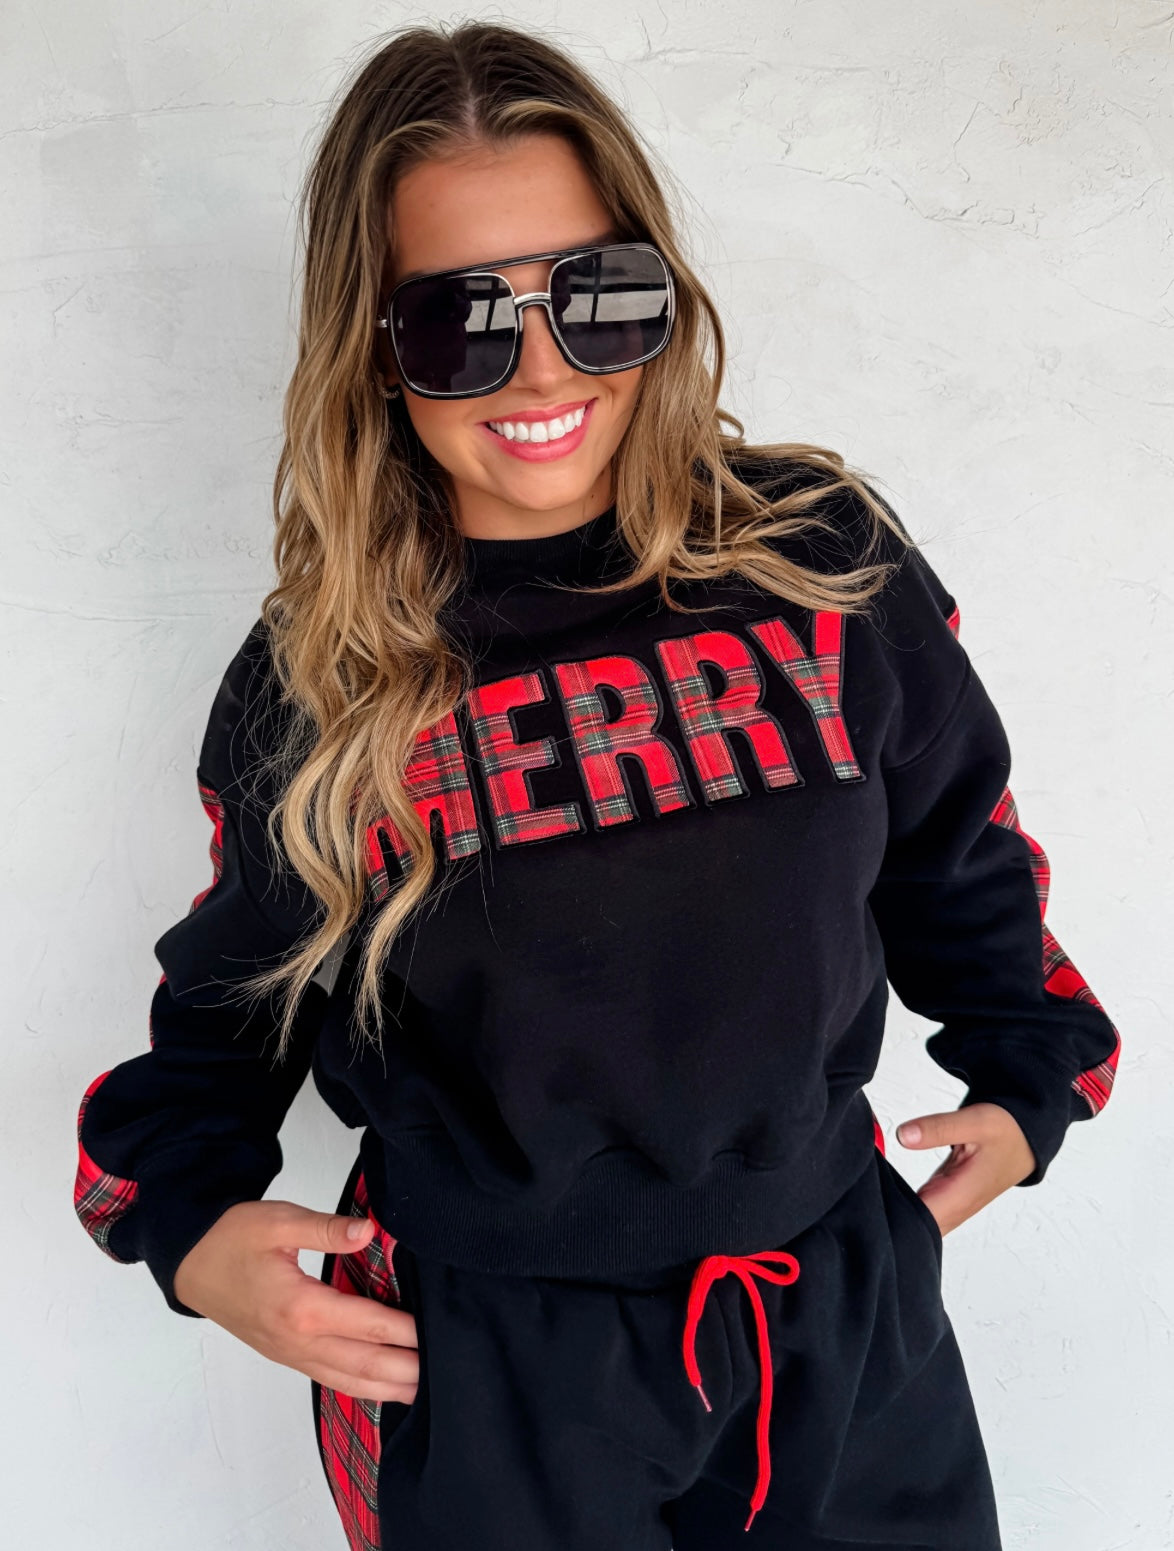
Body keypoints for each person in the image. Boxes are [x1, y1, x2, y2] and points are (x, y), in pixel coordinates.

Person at [72, 21, 1121, 1551]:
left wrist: (1027, 1081)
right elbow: (226, 1015)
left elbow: (957, 850)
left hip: (840, 1311)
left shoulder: (821, 559)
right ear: (372, 349)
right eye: (458, 322)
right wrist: (188, 1233)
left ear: (660, 290)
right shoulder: (324, 671)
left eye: (596, 293)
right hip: (486, 1363)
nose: (544, 367)